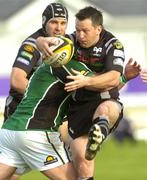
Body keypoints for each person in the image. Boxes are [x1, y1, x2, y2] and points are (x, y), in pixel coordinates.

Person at [36, 6, 141, 180]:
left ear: (98, 29)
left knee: (107, 108)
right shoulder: (71, 42)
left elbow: (114, 78)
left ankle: (99, 129)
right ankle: (95, 137)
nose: (80, 35)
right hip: (78, 108)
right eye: (77, 30)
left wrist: (87, 81)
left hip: (104, 100)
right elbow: (46, 42)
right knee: (81, 155)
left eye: (85, 31)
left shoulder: (112, 44)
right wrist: (41, 42)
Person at [0, 2, 70, 180]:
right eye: (54, 22)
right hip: (20, 112)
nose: (59, 28)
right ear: (44, 22)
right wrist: (42, 100)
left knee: (12, 171)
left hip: (42, 117)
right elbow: (17, 79)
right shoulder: (32, 45)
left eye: (63, 23)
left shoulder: (67, 44)